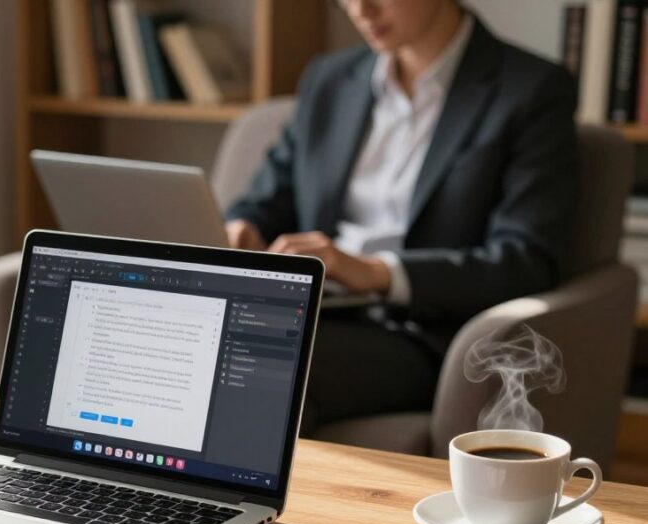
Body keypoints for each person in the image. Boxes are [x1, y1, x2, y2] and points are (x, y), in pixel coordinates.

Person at [225, 0, 579, 437]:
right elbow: (267, 199)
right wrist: (242, 228)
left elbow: (525, 260)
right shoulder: (329, 78)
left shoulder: (531, 89)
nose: (360, 9)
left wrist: (377, 273)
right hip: (314, 308)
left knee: (260, 363)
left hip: (419, 331)